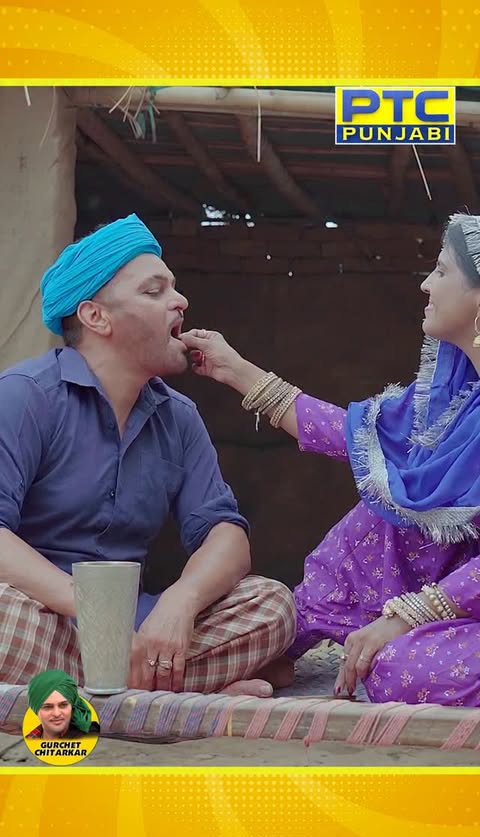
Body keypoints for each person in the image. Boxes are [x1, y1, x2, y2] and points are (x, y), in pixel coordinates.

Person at [179, 212, 480, 708]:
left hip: (463, 599)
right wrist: (234, 369)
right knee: (376, 521)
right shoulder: (453, 399)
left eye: (442, 271)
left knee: (399, 670)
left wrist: (407, 616)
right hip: (448, 594)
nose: (426, 284)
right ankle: (275, 652)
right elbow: (356, 438)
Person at [0, 214, 296, 698]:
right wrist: (94, 611)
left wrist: (180, 602)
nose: (180, 301)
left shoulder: (178, 417)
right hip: (40, 616)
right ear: (96, 317)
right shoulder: (24, 396)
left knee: (272, 606)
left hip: (138, 630)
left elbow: (225, 534)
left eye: (173, 288)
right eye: (154, 291)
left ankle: (101, 691)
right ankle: (169, 694)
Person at [26, 669, 100, 739]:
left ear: (72, 706)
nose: (57, 714)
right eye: (48, 707)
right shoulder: (30, 738)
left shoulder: (89, 736)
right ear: (36, 710)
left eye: (63, 705)